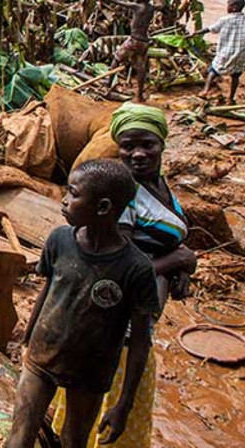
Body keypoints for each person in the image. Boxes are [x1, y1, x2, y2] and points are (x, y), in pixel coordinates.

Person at [50, 103, 199, 448]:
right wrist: (176, 258)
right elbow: (116, 267)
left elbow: (160, 245)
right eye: (128, 146)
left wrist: (179, 267)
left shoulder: (159, 184)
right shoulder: (123, 197)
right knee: (110, 406)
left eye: (148, 144)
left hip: (142, 315)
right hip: (117, 321)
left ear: (163, 144)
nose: (138, 154)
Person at [6, 159, 160, 448]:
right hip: (42, 356)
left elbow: (140, 340)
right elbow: (48, 290)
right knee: (19, 438)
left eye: (74, 194)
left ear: (103, 208)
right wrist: (26, 342)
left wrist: (124, 404)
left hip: (90, 372)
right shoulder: (60, 240)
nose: (64, 201)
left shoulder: (136, 268)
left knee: (73, 441)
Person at [93, 0, 160, 102]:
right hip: (144, 42)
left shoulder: (137, 7)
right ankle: (139, 95)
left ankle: (108, 83)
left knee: (116, 58)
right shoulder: (151, 8)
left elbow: (118, 2)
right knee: (141, 68)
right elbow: (163, 4)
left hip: (133, 40)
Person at [194, 0, 245, 104]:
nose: (227, 7)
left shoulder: (225, 19)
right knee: (235, 75)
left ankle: (205, 91)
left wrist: (197, 33)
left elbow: (211, 29)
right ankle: (231, 98)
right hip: (240, 52)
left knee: (213, 70)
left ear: (234, 7)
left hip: (225, 51)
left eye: (228, 5)